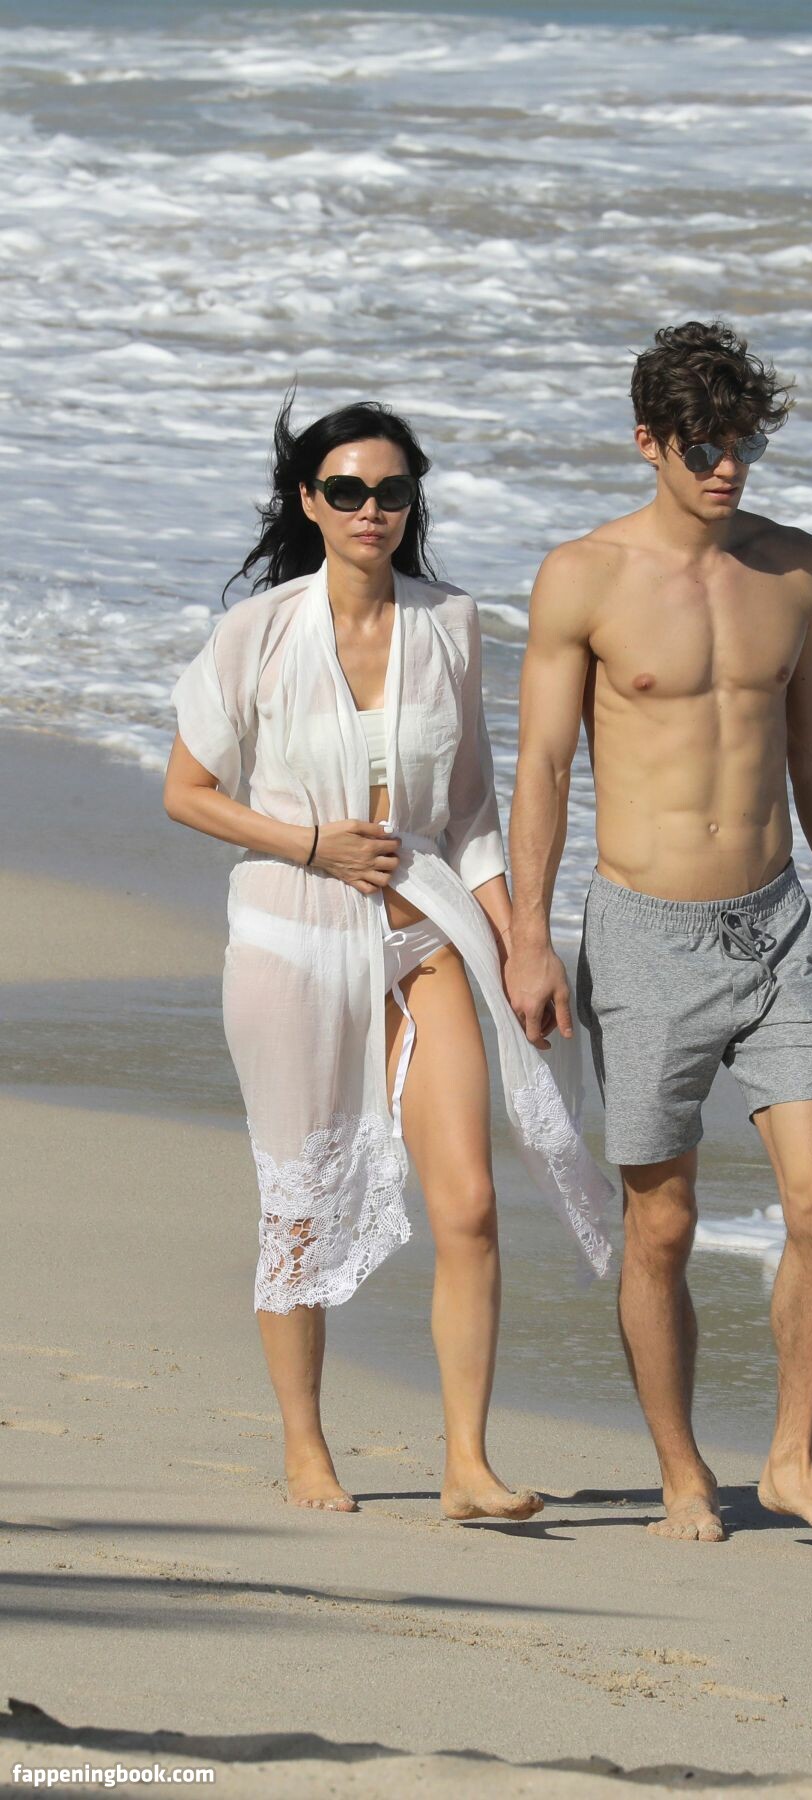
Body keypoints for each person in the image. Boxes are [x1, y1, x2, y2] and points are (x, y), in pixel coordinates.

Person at [164, 397, 610, 1519]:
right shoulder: (257, 631)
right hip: (290, 935)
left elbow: (471, 813)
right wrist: (311, 843)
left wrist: (524, 942)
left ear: (414, 503)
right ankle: (306, 1448)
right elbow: (188, 793)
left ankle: (467, 1466)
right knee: (300, 1202)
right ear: (310, 502)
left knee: (471, 1203)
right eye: (348, 490)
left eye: (393, 490)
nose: (372, 509)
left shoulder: (451, 623)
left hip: (427, 929)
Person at [506, 321, 812, 1545]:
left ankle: (792, 1463)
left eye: (744, 444)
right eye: (704, 446)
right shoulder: (584, 577)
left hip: (778, 927)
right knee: (663, 1223)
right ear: (649, 443)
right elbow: (544, 766)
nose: (728, 467)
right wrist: (528, 935)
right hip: (644, 933)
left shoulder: (793, 569)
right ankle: (682, 1474)